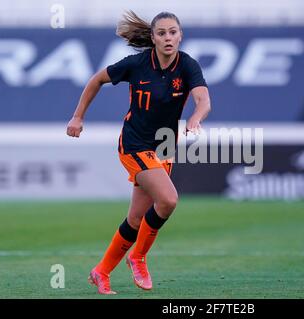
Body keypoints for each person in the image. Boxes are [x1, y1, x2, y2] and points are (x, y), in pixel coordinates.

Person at [66, 11, 211, 294]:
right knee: (168, 200)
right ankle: (138, 258)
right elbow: (96, 80)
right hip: (134, 144)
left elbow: (203, 100)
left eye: (173, 32)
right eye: (162, 33)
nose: (168, 38)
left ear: (180, 35)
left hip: (165, 146)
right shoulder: (137, 64)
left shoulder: (188, 66)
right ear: (153, 38)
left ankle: (101, 271)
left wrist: (196, 117)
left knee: (136, 219)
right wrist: (77, 117)